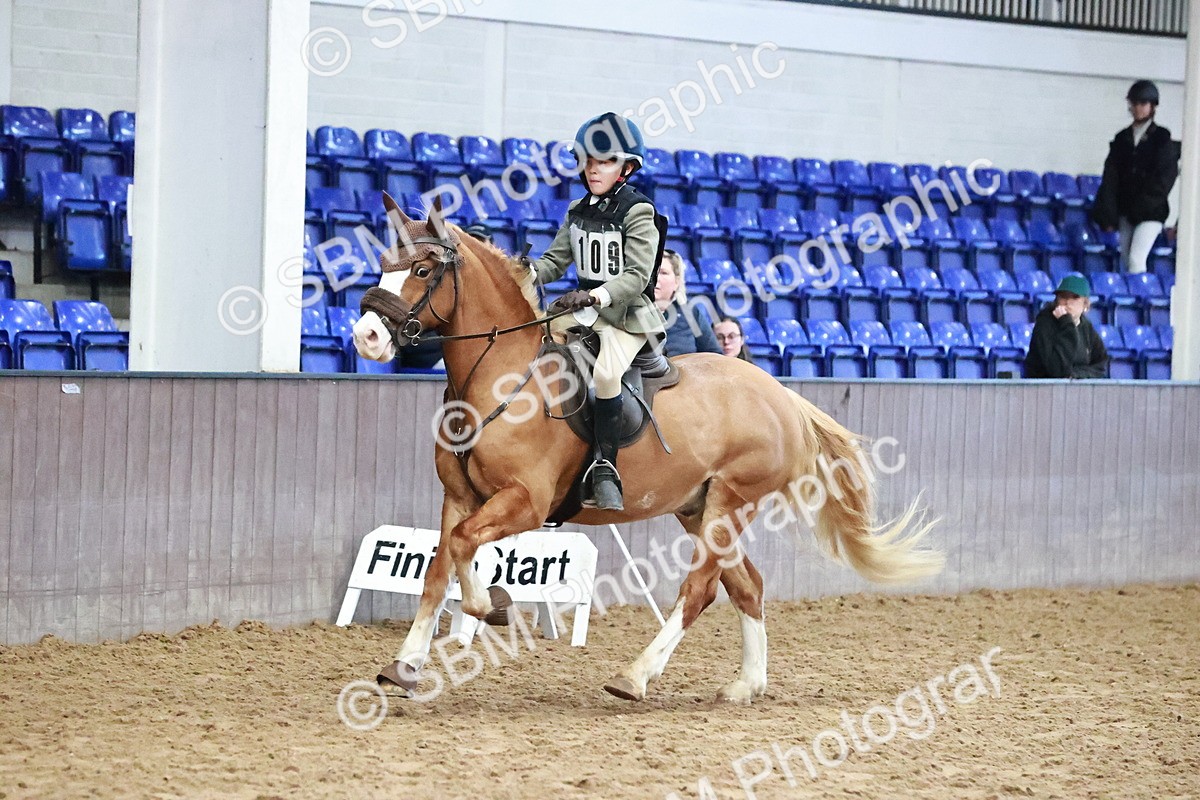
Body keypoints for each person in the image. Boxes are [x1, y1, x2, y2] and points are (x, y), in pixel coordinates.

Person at [527, 112, 667, 512]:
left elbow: (637, 276)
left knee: (606, 374)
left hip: (626, 315)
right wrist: (523, 271)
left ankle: (605, 467)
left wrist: (595, 297)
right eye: (588, 161)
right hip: (583, 309)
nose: (593, 169)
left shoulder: (638, 212)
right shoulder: (577, 209)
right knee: (534, 335)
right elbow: (554, 261)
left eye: (604, 162)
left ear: (626, 168)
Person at [1091, 80, 1180, 274]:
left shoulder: (1162, 138)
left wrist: (1143, 205)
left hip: (1151, 212)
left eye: (1143, 103)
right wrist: (1109, 212)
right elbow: (1111, 177)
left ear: (1152, 106)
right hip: (1126, 210)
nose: (1138, 108)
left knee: (1136, 259)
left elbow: (1164, 178)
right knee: (1125, 259)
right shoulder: (1122, 138)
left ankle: (1140, 291)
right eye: (1135, 103)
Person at [1024, 275, 1108, 379]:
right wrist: (1067, 324)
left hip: (1077, 387)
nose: (1068, 302)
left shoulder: (1086, 326)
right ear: (1056, 301)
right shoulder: (1045, 323)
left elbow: (1101, 366)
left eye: (1075, 297)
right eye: (1063, 297)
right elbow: (1056, 370)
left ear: (1085, 304)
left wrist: (1078, 374)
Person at [656, 250, 722, 357]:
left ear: (677, 282)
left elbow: (713, 354)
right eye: (652, 272)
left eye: (663, 273)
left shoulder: (689, 312)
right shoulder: (633, 310)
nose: (656, 278)